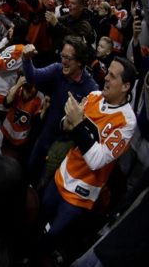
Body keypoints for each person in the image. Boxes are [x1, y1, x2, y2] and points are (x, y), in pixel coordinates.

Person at [38, 57, 137, 258]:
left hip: (81, 193)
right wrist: (69, 122)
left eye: (112, 76)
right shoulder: (93, 96)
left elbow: (97, 160)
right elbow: (64, 127)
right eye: (107, 72)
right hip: (62, 174)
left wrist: (78, 124)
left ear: (126, 86)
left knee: (53, 236)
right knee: (40, 219)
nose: (106, 78)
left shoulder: (126, 121)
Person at [22, 35, 98, 187]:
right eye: (62, 56)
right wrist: (26, 59)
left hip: (65, 145)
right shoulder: (57, 69)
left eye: (68, 58)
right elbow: (33, 76)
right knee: (29, 172)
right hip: (45, 135)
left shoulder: (91, 89)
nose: (63, 61)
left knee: (46, 182)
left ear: (80, 61)